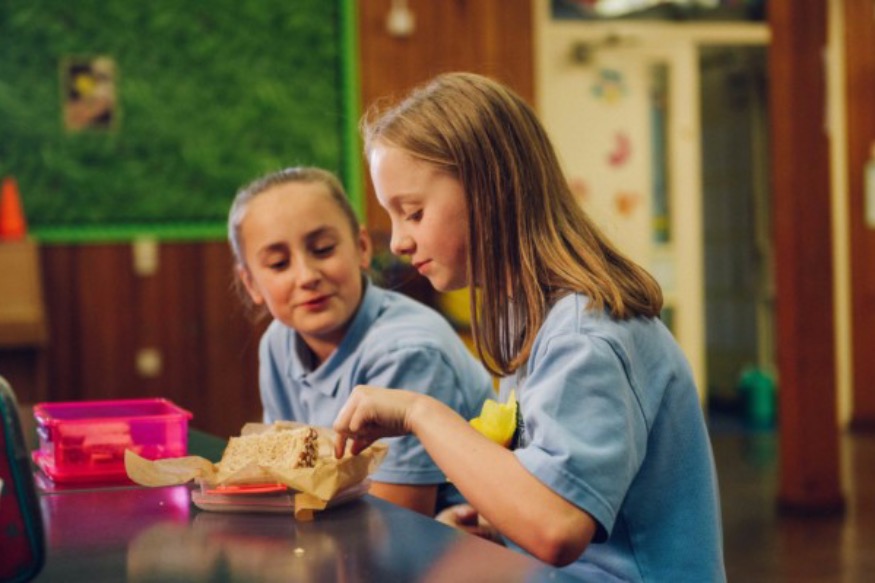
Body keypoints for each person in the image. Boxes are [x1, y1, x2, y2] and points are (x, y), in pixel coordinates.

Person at [332, 73, 726, 582]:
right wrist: (501, 526)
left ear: (490, 192)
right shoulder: (529, 317)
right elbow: (549, 491)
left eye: (413, 213)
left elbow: (557, 528)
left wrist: (419, 412)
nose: (398, 243)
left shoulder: (585, 336)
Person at [227, 166, 494, 516]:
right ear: (251, 283)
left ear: (362, 247)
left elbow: (396, 519)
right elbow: (281, 479)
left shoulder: (408, 352)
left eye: (323, 249)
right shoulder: (278, 342)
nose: (306, 276)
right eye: (279, 264)